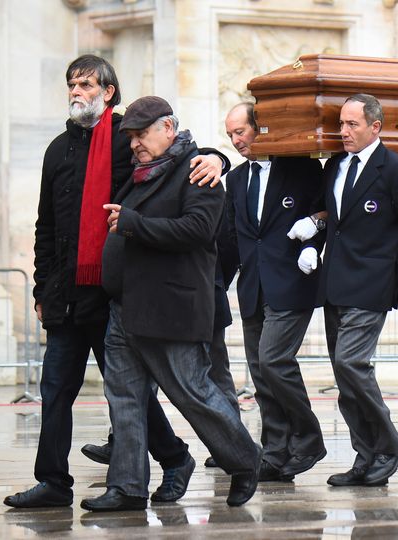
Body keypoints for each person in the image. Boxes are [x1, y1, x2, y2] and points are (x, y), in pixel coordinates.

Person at [4, 55, 228, 509]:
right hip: (66, 292)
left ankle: (175, 458)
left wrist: (217, 158)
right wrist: (42, 289)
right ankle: (53, 481)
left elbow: (177, 150)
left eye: (86, 84)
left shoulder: (128, 137)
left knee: (127, 393)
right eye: (72, 84)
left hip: (114, 292)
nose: (76, 91)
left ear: (108, 92)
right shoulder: (57, 150)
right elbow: (46, 226)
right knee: (54, 390)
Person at [80, 96, 261, 512]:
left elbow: (197, 230)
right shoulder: (142, 173)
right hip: (125, 308)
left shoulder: (197, 172)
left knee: (193, 392)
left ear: (168, 128)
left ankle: (245, 460)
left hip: (170, 309)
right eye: (131, 137)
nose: (135, 144)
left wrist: (134, 224)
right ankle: (127, 487)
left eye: (141, 134)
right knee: (124, 399)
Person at [317, 94, 398, 486]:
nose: (344, 131)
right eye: (341, 124)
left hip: (370, 284)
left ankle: (390, 446)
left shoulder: (397, 169)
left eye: (352, 124)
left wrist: (383, 264)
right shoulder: (335, 165)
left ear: (375, 126)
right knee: (344, 375)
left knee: (352, 363)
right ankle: (365, 456)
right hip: (334, 284)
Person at [220, 102, 328, 482]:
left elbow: (327, 211)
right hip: (252, 287)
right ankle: (276, 452)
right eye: (230, 135)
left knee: (273, 361)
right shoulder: (236, 180)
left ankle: (309, 440)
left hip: (292, 281)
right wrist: (218, 283)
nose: (236, 140)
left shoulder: (300, 169)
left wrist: (314, 242)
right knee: (261, 374)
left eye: (241, 132)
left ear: (260, 128)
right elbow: (232, 237)